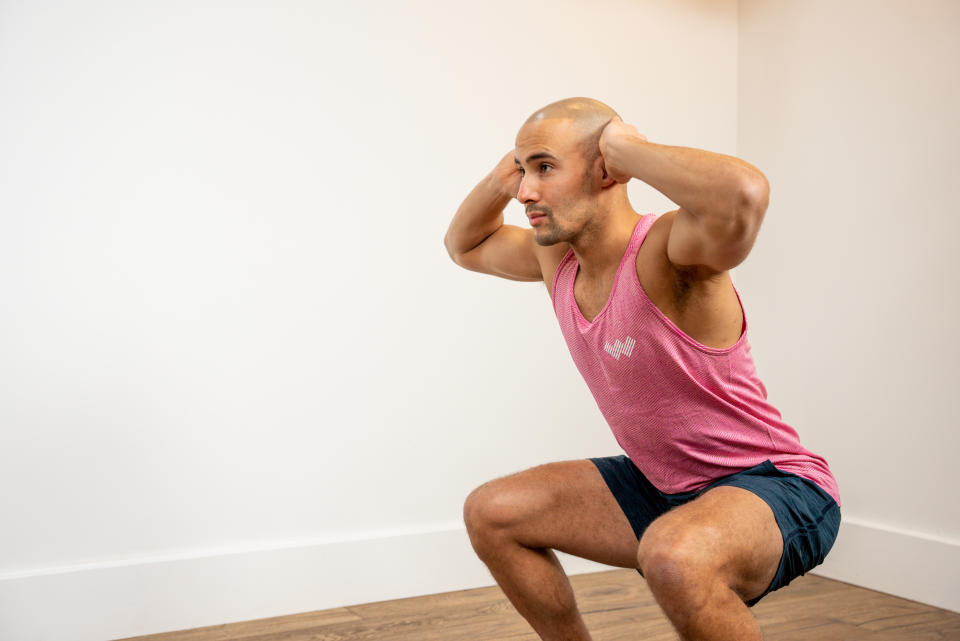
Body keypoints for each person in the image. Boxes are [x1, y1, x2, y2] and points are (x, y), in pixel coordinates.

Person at [443, 97, 841, 641]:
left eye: (544, 168)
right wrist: (502, 174)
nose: (524, 192)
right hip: (663, 486)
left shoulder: (668, 252)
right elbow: (463, 245)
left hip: (775, 484)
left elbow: (743, 195)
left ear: (606, 169)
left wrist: (628, 147)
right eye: (522, 171)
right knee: (492, 512)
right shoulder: (557, 261)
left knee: (672, 554)